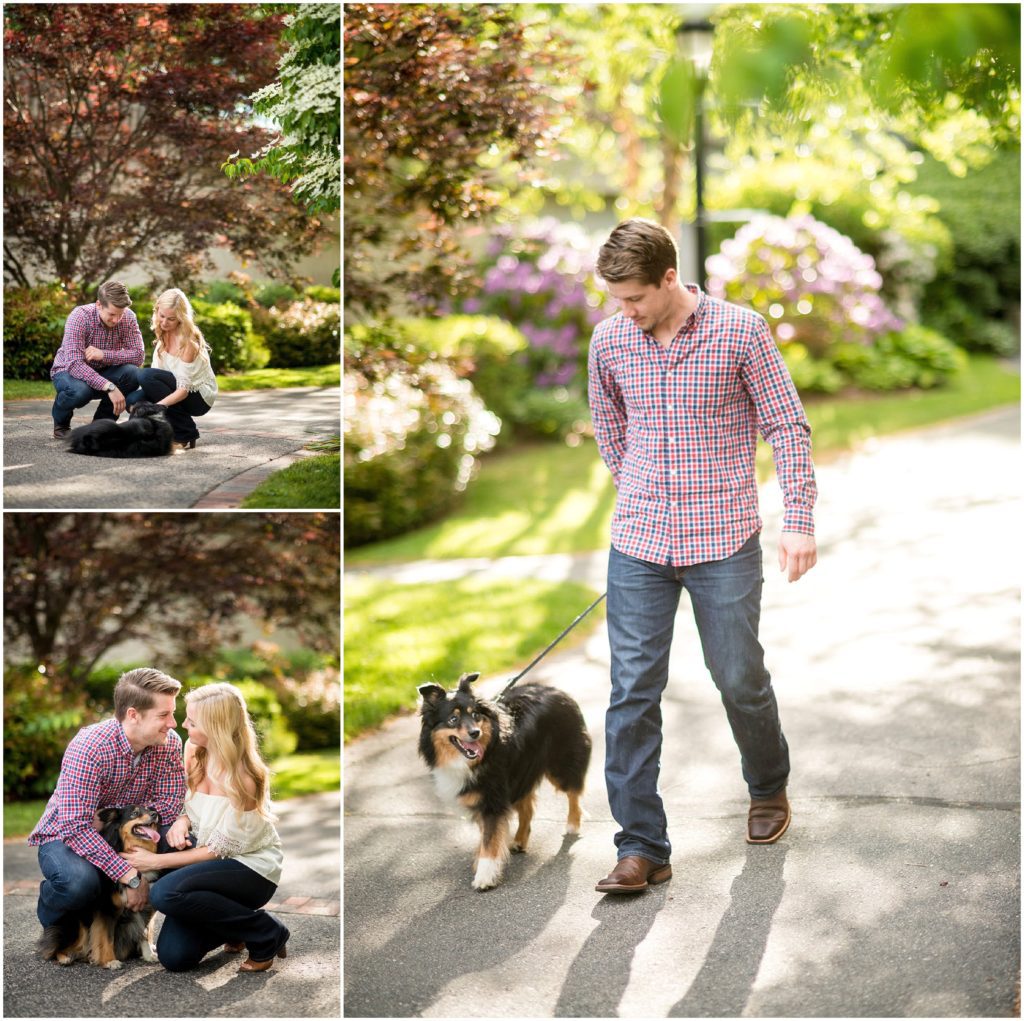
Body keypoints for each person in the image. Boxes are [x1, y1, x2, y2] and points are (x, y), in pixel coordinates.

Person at [587, 218, 818, 895]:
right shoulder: (609, 341)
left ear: (668, 277)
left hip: (723, 542)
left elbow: (787, 423)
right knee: (631, 692)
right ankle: (641, 846)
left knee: (738, 675)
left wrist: (797, 518)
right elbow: (610, 428)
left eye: (634, 296)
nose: (623, 311)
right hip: (640, 544)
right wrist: (639, 490)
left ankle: (768, 785)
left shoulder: (740, 331)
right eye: (615, 299)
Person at [120, 683, 288, 973]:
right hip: (208, 865)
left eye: (192, 721)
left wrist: (156, 861)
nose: (181, 724)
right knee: (175, 958)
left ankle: (265, 931)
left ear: (216, 727)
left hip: (249, 869)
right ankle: (235, 928)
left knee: (164, 894)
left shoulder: (245, 778)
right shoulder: (194, 750)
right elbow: (186, 802)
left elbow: (217, 850)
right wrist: (183, 820)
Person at [29, 668, 186, 930]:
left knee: (184, 845)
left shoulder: (169, 743)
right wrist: (132, 876)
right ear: (133, 715)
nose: (173, 723)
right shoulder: (90, 746)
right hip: (63, 835)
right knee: (79, 883)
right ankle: (55, 919)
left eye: (173, 713)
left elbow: (169, 805)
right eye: (164, 715)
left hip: (126, 830)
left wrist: (118, 824)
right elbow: (75, 826)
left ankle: (165, 932)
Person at [50, 280, 145, 440]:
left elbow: (138, 355)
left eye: (120, 314)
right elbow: (75, 364)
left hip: (104, 370)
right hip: (68, 372)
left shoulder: (128, 317)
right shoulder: (80, 316)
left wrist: (104, 354)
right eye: (112, 314)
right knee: (80, 392)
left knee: (132, 373)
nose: (117, 320)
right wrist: (109, 387)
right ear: (99, 305)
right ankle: (61, 422)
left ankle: (100, 427)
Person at [126, 288, 217, 449]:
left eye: (171, 319)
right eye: (162, 316)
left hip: (198, 397)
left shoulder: (188, 342)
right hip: (174, 389)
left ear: (181, 319)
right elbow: (156, 379)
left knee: (145, 375)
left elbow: (183, 390)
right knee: (133, 400)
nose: (164, 322)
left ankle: (185, 432)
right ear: (157, 311)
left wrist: (155, 408)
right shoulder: (163, 335)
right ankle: (153, 434)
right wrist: (143, 407)